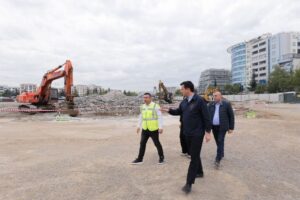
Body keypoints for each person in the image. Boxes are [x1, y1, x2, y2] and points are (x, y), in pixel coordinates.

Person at [161, 81, 211, 194]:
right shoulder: (184, 102)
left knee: (193, 158)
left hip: (197, 134)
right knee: (195, 154)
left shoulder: (200, 101)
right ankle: (200, 172)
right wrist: (168, 110)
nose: (181, 91)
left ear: (188, 89)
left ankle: (189, 183)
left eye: (182, 89)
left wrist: (208, 132)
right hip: (187, 133)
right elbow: (178, 112)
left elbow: (207, 117)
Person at [131, 93, 165, 165]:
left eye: (146, 97)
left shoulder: (155, 106)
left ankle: (161, 158)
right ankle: (140, 159)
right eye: (144, 98)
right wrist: (138, 126)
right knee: (142, 143)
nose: (145, 99)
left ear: (150, 98)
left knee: (156, 143)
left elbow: (160, 117)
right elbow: (141, 116)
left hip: (153, 129)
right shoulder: (142, 106)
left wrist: (160, 127)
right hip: (145, 128)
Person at [208, 91, 235, 168]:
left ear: (220, 96)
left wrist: (231, 128)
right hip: (214, 127)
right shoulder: (211, 104)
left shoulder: (226, 104)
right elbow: (207, 114)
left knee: (220, 140)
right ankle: (221, 153)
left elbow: (231, 116)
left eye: (216, 96)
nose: (214, 97)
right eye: (213, 96)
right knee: (218, 141)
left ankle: (217, 159)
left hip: (222, 127)